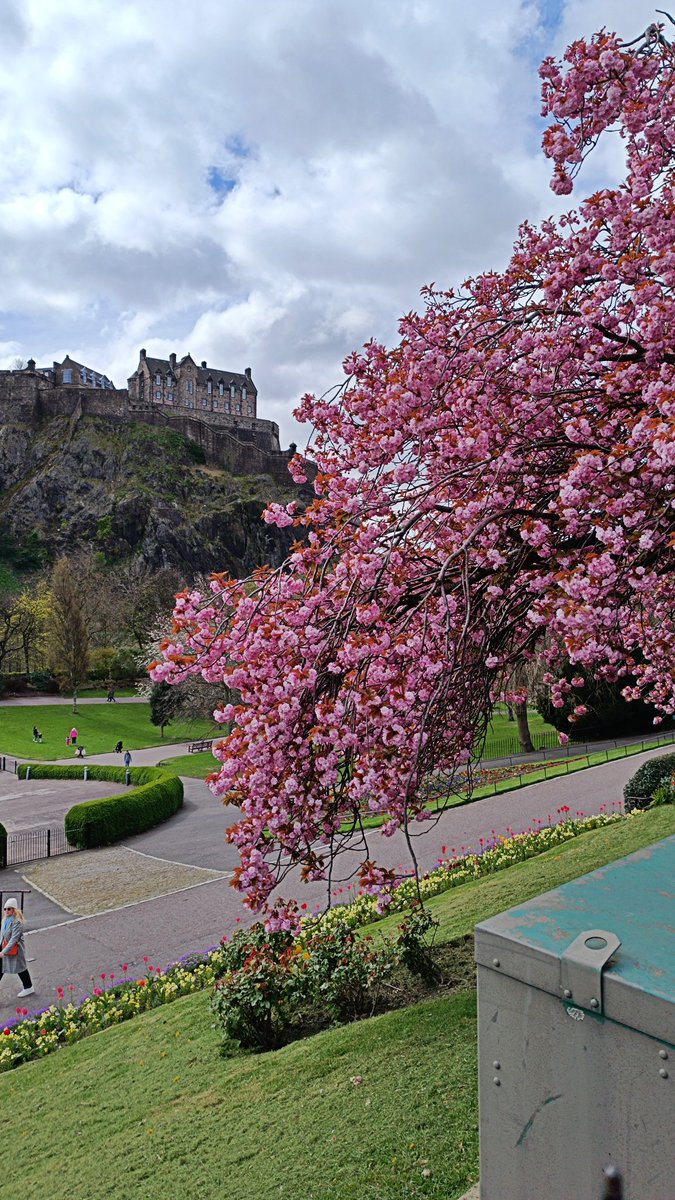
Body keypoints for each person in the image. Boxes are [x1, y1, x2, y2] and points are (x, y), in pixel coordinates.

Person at [0, 898, 34, 998]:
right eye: (5, 909)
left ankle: (28, 987)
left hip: (15, 950)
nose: (6, 911)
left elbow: (14, 939)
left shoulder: (17, 922)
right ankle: (28, 987)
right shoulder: (5, 919)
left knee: (21, 968)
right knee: (5, 968)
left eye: (9, 909)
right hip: (5, 948)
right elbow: (2, 935)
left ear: (14, 909)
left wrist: (3, 952)